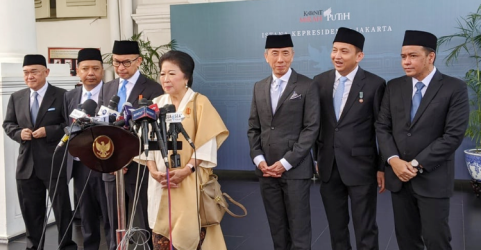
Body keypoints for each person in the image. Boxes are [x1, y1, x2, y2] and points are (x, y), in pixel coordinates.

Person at [375, 30, 469, 250]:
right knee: (407, 241)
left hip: (433, 179)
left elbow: (452, 136)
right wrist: (393, 160)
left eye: (413, 56)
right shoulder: (394, 86)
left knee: (437, 239)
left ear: (431, 57)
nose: (406, 62)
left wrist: (415, 165)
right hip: (399, 179)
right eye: (403, 56)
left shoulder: (454, 88)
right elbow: (382, 127)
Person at [136, 50, 229, 250]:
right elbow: (145, 142)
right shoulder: (156, 104)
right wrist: (152, 170)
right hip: (160, 181)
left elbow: (207, 143)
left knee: (190, 235)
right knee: (162, 234)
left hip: (189, 180)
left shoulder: (199, 103)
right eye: (162, 73)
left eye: (172, 73)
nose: (165, 79)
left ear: (186, 76)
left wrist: (186, 170)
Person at [313, 27, 386, 250]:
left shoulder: (375, 84)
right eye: (334, 50)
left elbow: (382, 129)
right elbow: (316, 125)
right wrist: (317, 158)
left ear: (359, 56)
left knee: (365, 228)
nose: (337, 56)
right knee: (336, 228)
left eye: (344, 51)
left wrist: (382, 167)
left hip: (361, 168)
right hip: (328, 166)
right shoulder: (319, 81)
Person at [247, 34, 320, 250]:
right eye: (275, 53)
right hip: (266, 170)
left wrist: (286, 162)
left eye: (285, 53)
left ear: (293, 55)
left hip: (295, 170)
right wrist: (259, 160)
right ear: (266, 56)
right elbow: (254, 128)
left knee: (299, 228)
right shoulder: (259, 87)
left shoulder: (307, 86)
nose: (280, 59)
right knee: (276, 227)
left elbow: (311, 128)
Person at [2, 55, 77, 250]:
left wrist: (49, 131)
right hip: (27, 165)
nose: (29, 76)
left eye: (34, 71)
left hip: (53, 162)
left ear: (46, 72)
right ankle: (34, 247)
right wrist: (19, 133)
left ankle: (67, 246)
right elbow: (8, 124)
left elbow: (71, 125)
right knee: (31, 212)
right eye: (26, 72)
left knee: (61, 211)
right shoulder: (16, 97)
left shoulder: (63, 95)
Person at [98, 40, 164, 250]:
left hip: (140, 164)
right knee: (113, 218)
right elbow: (103, 123)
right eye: (116, 63)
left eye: (126, 63)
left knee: (144, 216)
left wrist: (127, 156)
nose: (120, 68)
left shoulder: (153, 88)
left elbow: (152, 128)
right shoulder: (107, 88)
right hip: (111, 162)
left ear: (139, 61)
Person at [63, 48, 111, 250]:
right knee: (86, 212)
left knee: (109, 212)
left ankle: (113, 246)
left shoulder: (112, 92)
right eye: (85, 68)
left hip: (106, 162)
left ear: (102, 71)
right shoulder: (70, 96)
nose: (90, 73)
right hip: (80, 163)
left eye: (95, 68)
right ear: (77, 71)